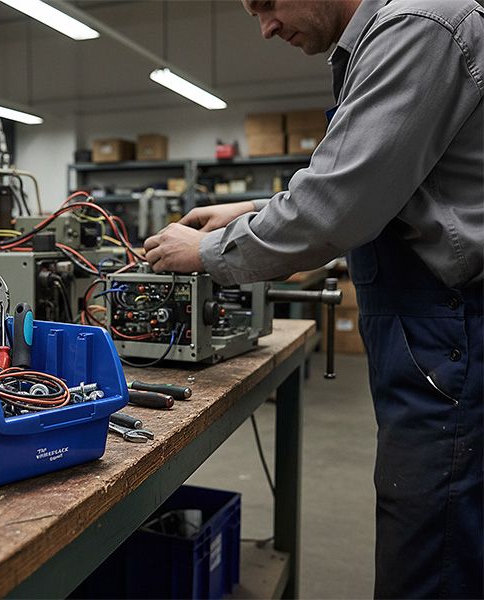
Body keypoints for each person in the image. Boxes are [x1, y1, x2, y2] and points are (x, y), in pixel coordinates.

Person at [144, 0, 484, 597]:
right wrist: (252, 211)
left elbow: (335, 207)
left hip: (452, 336)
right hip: (434, 339)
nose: (266, 26)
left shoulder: (417, 25)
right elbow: (383, 185)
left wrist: (205, 254)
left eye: (268, 3)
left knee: (434, 556)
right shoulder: (384, 38)